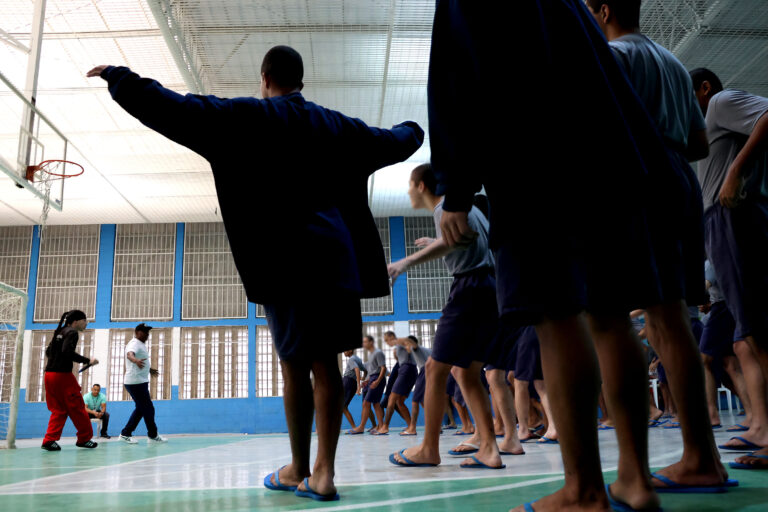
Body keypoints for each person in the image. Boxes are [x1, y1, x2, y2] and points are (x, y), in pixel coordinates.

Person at [428, 0, 730, 509]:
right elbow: (620, 97)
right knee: (612, 317)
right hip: (621, 168)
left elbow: (456, 84)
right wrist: (646, 169)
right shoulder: (571, 7)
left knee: (558, 318)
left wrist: (455, 191)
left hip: (536, 166)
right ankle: (634, 478)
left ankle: (584, 488)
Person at [89, 45, 423, 500]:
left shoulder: (246, 118)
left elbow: (174, 108)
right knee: (327, 363)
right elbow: (397, 140)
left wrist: (119, 77)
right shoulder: (336, 126)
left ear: (265, 78)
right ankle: (323, 474)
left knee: (293, 366)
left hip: (284, 259)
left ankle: (298, 468)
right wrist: (415, 126)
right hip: (336, 258)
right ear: (300, 80)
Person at [388, 163, 503, 470]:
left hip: (470, 287)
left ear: (421, 186)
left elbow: (460, 237)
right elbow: (465, 238)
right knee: (465, 373)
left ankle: (428, 448)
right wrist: (435, 242)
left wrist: (404, 263)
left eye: (410, 185)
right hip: (492, 288)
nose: (409, 191)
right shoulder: (463, 209)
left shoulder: (444, 209)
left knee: (435, 368)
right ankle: (489, 449)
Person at [691, 66, 768, 469]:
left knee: (757, 332)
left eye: (692, 99)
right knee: (743, 339)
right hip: (719, 222)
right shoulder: (711, 129)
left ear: (704, 88)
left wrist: (736, 169)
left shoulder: (720, 102)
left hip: (734, 218)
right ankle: (761, 427)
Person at [41, 310, 99, 451]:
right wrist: (88, 361)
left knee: (59, 410)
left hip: (49, 375)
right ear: (77, 321)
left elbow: (48, 352)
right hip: (63, 378)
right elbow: (67, 352)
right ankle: (84, 438)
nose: (86, 324)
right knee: (78, 408)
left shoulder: (60, 331)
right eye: (85, 321)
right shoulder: (72, 332)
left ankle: (49, 440)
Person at [120, 323, 166, 445]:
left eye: (148, 332)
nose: (147, 334)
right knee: (148, 409)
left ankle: (126, 433)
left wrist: (149, 369)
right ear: (137, 332)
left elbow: (141, 360)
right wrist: (135, 360)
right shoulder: (134, 343)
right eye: (144, 332)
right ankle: (152, 435)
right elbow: (130, 354)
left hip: (139, 381)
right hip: (136, 382)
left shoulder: (141, 344)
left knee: (141, 409)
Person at [377, 332, 418, 434]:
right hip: (411, 371)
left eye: (387, 340)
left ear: (391, 337)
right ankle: (411, 427)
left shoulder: (398, 341)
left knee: (392, 398)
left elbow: (407, 341)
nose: (387, 343)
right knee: (399, 402)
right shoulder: (399, 347)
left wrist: (409, 346)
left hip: (406, 369)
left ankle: (385, 427)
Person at [348, 336, 388, 435]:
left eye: (365, 342)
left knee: (366, 403)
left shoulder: (378, 353)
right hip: (373, 378)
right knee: (376, 404)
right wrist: (367, 380)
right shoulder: (371, 355)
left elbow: (383, 368)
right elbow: (372, 371)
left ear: (371, 342)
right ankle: (381, 427)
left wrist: (377, 381)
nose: (364, 344)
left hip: (378, 379)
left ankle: (361, 427)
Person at [401, 337, 431, 436]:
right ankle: (436, 427)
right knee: (423, 402)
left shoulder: (415, 349)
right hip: (432, 372)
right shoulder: (427, 350)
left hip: (425, 372)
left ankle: (412, 428)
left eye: (406, 344)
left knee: (415, 401)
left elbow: (414, 346)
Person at [342, 350, 366, 430]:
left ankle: (354, 427)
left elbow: (357, 369)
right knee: (343, 407)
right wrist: (363, 378)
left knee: (343, 407)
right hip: (351, 383)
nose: (344, 352)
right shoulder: (357, 358)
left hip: (347, 382)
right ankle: (354, 427)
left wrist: (359, 386)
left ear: (350, 350)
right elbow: (365, 370)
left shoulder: (351, 359)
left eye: (345, 351)